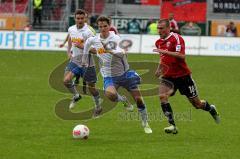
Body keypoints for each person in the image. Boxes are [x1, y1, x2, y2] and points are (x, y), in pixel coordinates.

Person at [82, 16, 152, 134]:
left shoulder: (116, 38)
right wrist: (84, 60)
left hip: (124, 73)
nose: (103, 28)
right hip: (109, 75)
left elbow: (123, 53)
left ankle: (145, 123)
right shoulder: (94, 40)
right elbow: (87, 46)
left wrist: (110, 51)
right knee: (110, 95)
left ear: (109, 26)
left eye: (105, 26)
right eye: (100, 26)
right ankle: (123, 100)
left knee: (139, 99)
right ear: (98, 27)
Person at [153, 19, 220, 134]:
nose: (159, 31)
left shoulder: (177, 38)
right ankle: (172, 125)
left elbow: (181, 56)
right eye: (158, 28)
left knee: (197, 104)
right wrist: (159, 69)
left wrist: (165, 51)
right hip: (168, 77)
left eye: (161, 28)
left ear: (168, 28)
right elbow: (163, 57)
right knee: (162, 96)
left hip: (183, 76)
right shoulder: (158, 42)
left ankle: (211, 109)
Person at [63, 9, 101, 117]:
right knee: (66, 81)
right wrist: (69, 52)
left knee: (91, 88)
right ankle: (76, 96)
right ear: (75, 19)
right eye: (78, 18)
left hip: (87, 62)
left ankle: (98, 107)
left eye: (82, 18)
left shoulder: (89, 31)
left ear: (86, 18)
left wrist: (82, 46)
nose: (80, 20)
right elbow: (70, 40)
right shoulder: (71, 29)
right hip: (75, 60)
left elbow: (96, 50)